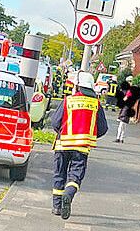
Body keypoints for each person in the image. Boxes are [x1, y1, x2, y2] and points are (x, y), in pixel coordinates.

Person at [49, 71, 108, 220]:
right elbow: (103, 128)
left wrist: (62, 132)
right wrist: (90, 134)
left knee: (59, 174)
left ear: (77, 86)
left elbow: (55, 122)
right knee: (75, 177)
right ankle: (68, 195)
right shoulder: (96, 104)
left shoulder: (68, 101)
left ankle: (56, 207)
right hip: (82, 148)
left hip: (62, 145)